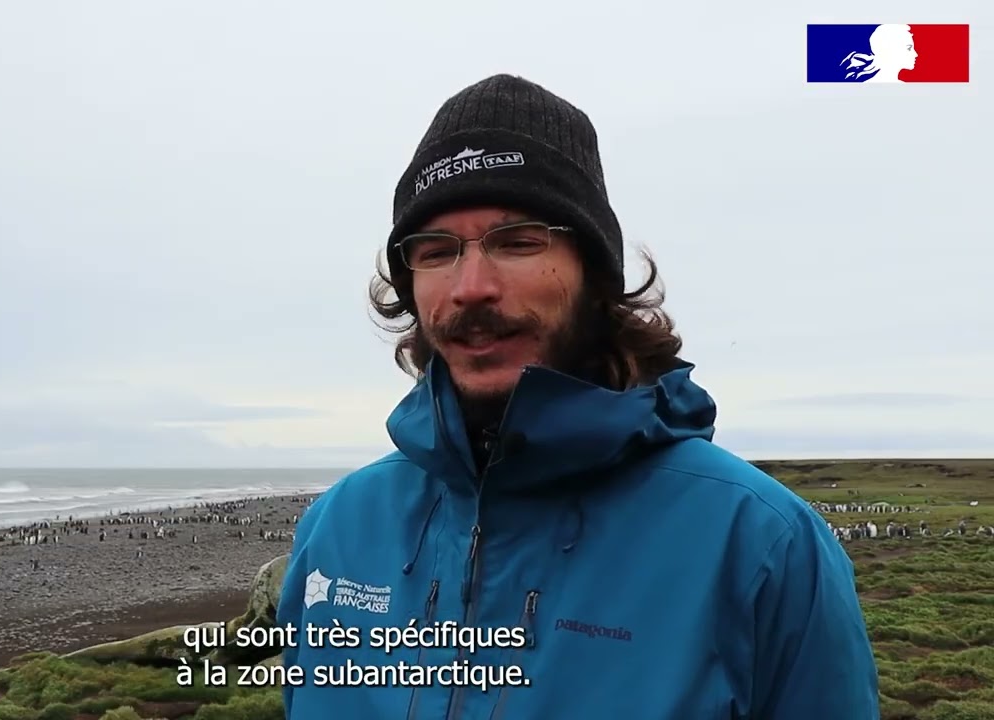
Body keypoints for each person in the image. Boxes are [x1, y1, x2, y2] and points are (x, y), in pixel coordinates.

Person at [276, 74, 879, 718]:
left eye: (518, 242)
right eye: (435, 251)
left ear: (596, 274)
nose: (470, 287)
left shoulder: (760, 543)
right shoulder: (338, 528)